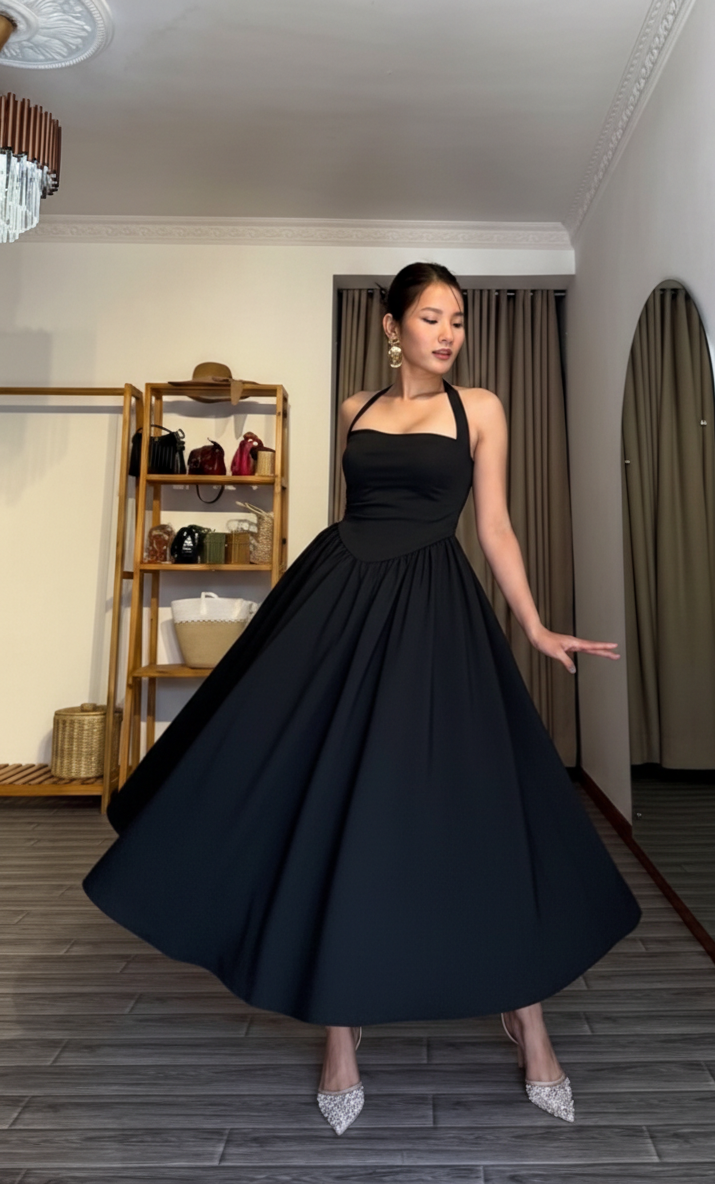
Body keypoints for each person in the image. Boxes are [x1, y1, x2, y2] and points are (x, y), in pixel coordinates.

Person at [83, 262, 641, 1137]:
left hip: (435, 612)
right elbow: (355, 515)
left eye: (457, 318)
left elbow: (492, 524)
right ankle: (339, 1036)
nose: (448, 332)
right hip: (339, 602)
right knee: (326, 797)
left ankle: (526, 1020)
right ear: (392, 326)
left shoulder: (481, 408)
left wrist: (532, 625)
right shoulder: (353, 411)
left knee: (478, 808)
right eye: (431, 316)